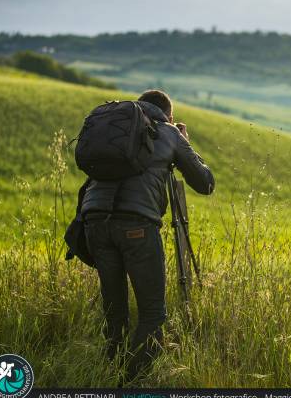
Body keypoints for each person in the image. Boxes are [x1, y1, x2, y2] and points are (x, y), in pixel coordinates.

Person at [79, 89, 215, 382]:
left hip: (94, 223)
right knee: (153, 314)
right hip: (137, 226)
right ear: (169, 115)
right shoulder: (168, 131)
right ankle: (133, 382)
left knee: (114, 313)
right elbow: (205, 183)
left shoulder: (118, 128)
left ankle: (108, 375)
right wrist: (184, 142)